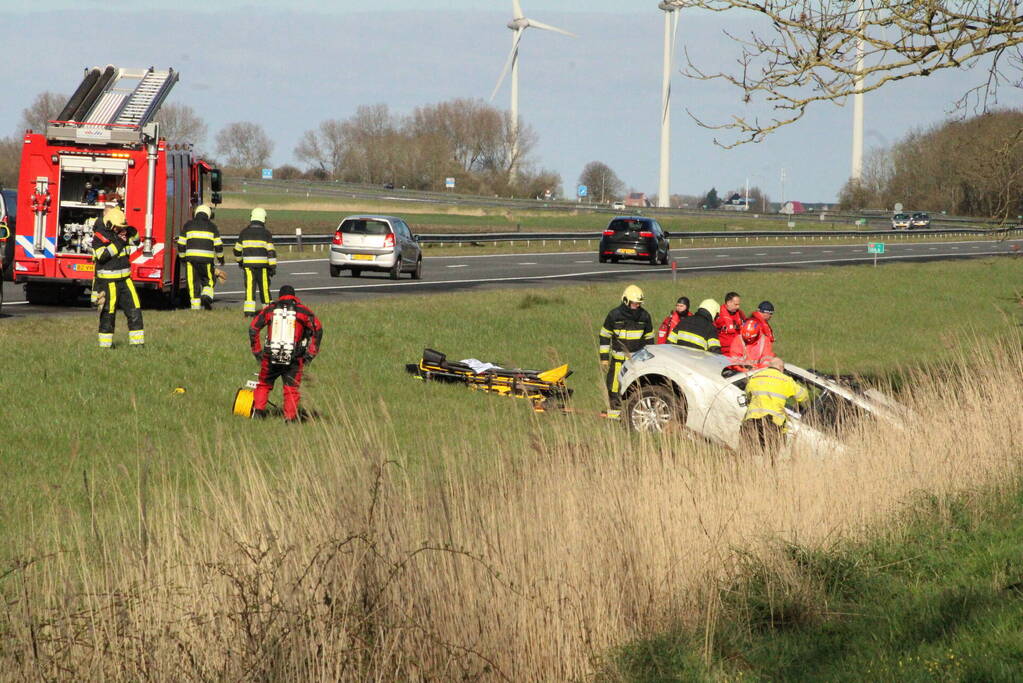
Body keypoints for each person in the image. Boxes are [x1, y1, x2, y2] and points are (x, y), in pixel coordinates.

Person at [249, 285, 323, 422]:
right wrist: (311, 354)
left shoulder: (270, 309)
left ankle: (258, 413)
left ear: (280, 296)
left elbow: (253, 328)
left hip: (270, 355)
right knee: (291, 388)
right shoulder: (303, 311)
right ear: (294, 296)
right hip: (295, 357)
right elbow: (318, 330)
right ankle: (289, 418)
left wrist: (257, 351)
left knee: (264, 384)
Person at [598, 284, 654, 420]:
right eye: (635, 303)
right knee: (614, 386)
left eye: (639, 303)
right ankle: (615, 411)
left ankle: (637, 411)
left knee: (637, 386)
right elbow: (604, 336)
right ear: (625, 301)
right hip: (618, 360)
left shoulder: (645, 316)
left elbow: (650, 340)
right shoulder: (614, 315)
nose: (637, 306)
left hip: (636, 361)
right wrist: (604, 358)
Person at [91, 207, 144, 348]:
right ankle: (105, 347)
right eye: (118, 226)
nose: (120, 229)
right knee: (108, 313)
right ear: (109, 224)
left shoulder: (123, 233)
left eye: (122, 226)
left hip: (126, 280)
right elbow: (102, 256)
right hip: (109, 283)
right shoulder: (99, 237)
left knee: (135, 310)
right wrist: (119, 243)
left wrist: (133, 231)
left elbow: (137, 242)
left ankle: (138, 345)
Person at [739, 357, 809, 458]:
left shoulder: (756, 377)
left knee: (746, 455)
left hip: (752, 422)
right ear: (781, 368)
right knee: (771, 458)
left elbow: (747, 394)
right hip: (772, 424)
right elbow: (803, 396)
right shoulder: (786, 380)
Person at [176, 205, 224, 310]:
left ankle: (195, 309)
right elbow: (218, 246)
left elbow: (181, 244)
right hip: (206, 261)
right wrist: (221, 259)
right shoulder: (212, 227)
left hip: (190, 260)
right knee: (209, 281)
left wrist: (183, 258)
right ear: (208, 214)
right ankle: (206, 296)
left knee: (192, 284)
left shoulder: (188, 225)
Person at [234, 207, 277, 316]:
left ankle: (248, 312)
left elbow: (237, 250)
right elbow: (271, 252)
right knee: (264, 289)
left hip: (248, 266)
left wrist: (240, 262)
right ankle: (268, 311)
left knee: (249, 288)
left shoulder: (244, 232)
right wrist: (272, 267)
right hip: (262, 267)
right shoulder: (266, 234)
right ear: (263, 219)